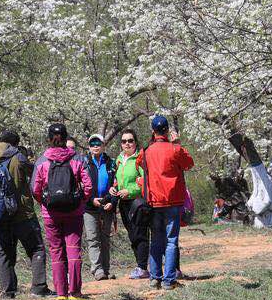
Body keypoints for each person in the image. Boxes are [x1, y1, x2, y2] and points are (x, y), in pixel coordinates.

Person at [0, 129, 53, 299]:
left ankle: (8, 291)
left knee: (5, 253)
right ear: (15, 144)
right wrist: (29, 158)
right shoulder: (18, 157)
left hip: (0, 213)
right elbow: (35, 173)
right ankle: (39, 288)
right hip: (22, 214)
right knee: (36, 248)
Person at [32, 123, 92, 300]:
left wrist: (44, 203)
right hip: (74, 212)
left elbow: (35, 189)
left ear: (49, 139)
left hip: (51, 213)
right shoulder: (77, 159)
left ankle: (61, 293)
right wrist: (81, 201)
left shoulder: (42, 161)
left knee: (56, 250)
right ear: (66, 138)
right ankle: (75, 291)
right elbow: (88, 186)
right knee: (73, 249)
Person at [136, 116, 194, 290]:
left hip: (154, 202)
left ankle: (155, 278)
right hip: (173, 201)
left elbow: (139, 164)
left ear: (153, 131)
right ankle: (169, 280)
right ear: (167, 131)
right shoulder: (175, 149)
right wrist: (178, 144)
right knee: (171, 241)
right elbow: (189, 163)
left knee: (156, 240)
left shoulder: (146, 151)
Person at [110, 129, 149, 279]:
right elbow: (117, 180)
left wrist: (130, 191)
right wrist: (114, 188)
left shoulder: (140, 159)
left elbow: (146, 181)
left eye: (130, 140)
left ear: (135, 142)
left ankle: (143, 267)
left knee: (140, 234)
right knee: (132, 235)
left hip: (137, 202)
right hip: (124, 203)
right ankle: (140, 266)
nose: (127, 143)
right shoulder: (119, 160)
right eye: (124, 141)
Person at [83, 134, 118, 281]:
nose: (95, 146)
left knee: (105, 238)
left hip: (106, 206)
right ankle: (97, 270)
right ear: (89, 147)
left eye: (98, 143)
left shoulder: (111, 163)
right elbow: (81, 185)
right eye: (92, 144)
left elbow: (117, 185)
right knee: (93, 239)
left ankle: (106, 269)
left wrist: (113, 202)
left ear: (104, 145)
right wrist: (91, 200)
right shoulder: (84, 163)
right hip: (89, 208)